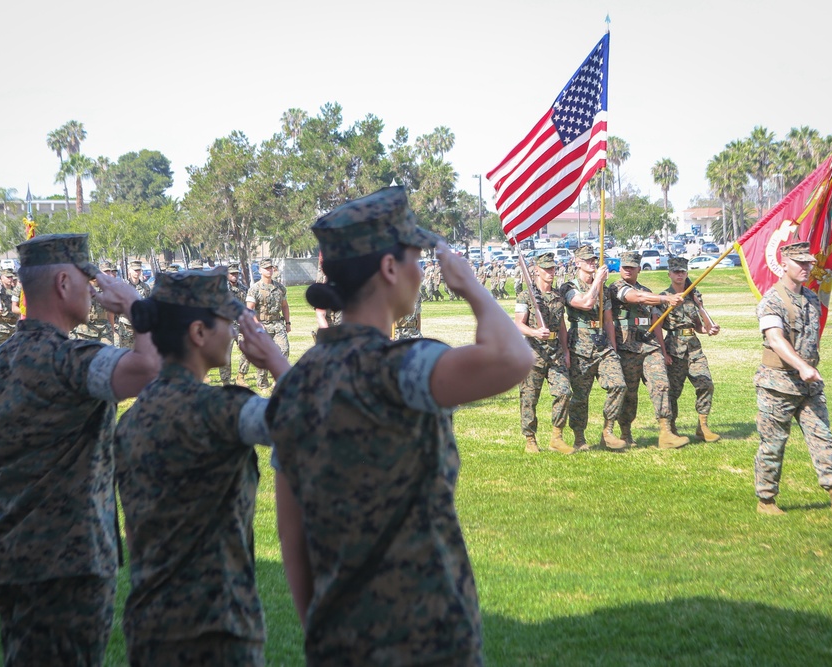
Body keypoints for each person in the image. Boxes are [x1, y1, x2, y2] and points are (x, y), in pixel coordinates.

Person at [267, 186, 533, 665]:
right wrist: (471, 287)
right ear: (390, 268)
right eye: (416, 256)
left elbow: (292, 532)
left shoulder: (296, 383)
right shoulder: (402, 368)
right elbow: (513, 358)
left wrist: (321, 631)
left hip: (338, 643)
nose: (421, 269)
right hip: (427, 641)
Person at [0, 233, 161, 665]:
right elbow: (148, 369)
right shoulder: (70, 361)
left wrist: (0, 534)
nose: (94, 289)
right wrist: (132, 304)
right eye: (87, 279)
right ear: (63, 284)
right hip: (69, 569)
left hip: (11, 559)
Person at [114, 268, 289, 665]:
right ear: (198, 332)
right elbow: (311, 421)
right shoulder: (217, 410)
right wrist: (274, 359)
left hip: (150, 627)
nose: (234, 331)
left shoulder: (131, 421)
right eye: (227, 322)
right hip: (216, 632)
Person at [753, 241, 832, 521]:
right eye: (800, 263)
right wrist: (801, 365)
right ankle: (766, 499)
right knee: (772, 444)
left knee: (822, 437)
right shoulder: (771, 300)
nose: (807, 267)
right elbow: (775, 339)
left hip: (809, 384)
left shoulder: (811, 298)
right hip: (777, 384)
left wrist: (809, 370)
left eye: (808, 263)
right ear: (784, 264)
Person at [608, 251, 689, 449]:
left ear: (639, 269)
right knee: (630, 393)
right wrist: (666, 299)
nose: (627, 270)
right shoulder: (616, 287)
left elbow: (656, 321)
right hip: (627, 348)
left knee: (661, 384)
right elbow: (636, 297)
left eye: (631, 267)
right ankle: (625, 433)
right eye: (624, 267)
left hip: (649, 346)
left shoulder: (647, 290)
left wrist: (663, 350)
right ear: (620, 268)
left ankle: (666, 432)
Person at [558, 245, 627, 450]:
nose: (592, 263)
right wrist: (597, 281)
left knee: (618, 384)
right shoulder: (568, 287)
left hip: (602, 344)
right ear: (577, 263)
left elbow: (608, 321)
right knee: (580, 396)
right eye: (587, 260)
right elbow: (585, 304)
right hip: (580, 345)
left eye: (593, 259)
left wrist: (613, 348)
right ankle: (579, 438)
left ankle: (608, 431)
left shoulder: (603, 290)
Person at [514, 253, 573, 454]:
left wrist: (566, 350)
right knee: (529, 398)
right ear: (536, 270)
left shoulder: (558, 296)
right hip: (532, 352)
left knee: (564, 392)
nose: (550, 272)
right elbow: (518, 325)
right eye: (546, 268)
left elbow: (562, 326)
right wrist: (534, 332)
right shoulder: (525, 296)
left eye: (552, 268)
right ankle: (530, 438)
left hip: (555, 352)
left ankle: (557, 436)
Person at [661, 256, 721, 442]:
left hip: (694, 349)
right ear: (669, 273)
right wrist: (663, 353)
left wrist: (708, 329)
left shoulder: (694, 295)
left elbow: (697, 325)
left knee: (706, 384)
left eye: (683, 271)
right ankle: (671, 429)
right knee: (673, 392)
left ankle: (702, 426)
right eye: (676, 271)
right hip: (674, 348)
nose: (680, 275)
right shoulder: (665, 297)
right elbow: (657, 326)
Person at [245, 258, 290, 390]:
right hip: (262, 324)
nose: (269, 270)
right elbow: (249, 309)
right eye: (266, 268)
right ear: (260, 270)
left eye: (271, 268)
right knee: (263, 354)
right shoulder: (254, 289)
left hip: (277, 323)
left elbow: (285, 306)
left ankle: (279, 380)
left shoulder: (280, 288)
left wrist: (287, 323)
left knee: (284, 350)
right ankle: (262, 382)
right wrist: (256, 324)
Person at [118, 260, 151, 350]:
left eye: (139, 270)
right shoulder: (123, 286)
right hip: (126, 326)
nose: (137, 272)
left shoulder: (146, 288)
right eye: (135, 270)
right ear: (129, 271)